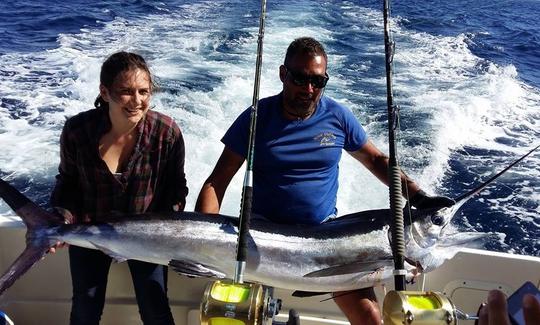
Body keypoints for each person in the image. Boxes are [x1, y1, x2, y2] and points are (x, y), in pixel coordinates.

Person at [195, 36, 454, 325]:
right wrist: (206, 241)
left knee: (371, 318)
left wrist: (418, 197)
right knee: (241, 316)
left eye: (318, 81)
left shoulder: (338, 116)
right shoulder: (256, 118)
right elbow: (216, 183)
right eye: (300, 78)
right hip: (260, 238)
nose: (308, 89)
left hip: (326, 240)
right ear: (283, 74)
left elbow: (375, 160)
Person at [50, 51, 188, 325]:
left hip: (146, 237)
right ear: (104, 92)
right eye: (125, 92)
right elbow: (67, 184)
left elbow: (176, 189)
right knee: (85, 309)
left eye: (143, 91)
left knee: (155, 306)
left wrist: (166, 229)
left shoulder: (167, 132)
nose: (137, 101)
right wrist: (62, 218)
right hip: (91, 233)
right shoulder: (77, 131)